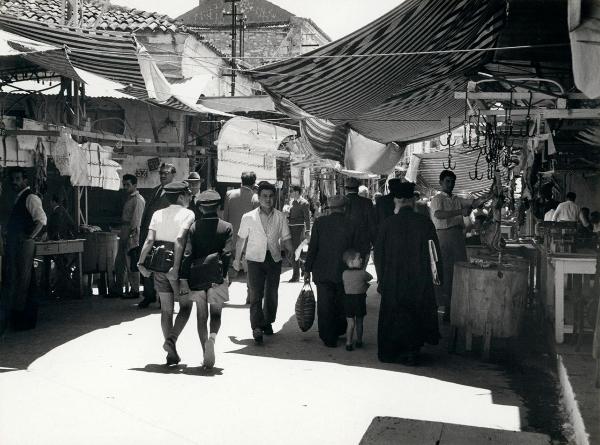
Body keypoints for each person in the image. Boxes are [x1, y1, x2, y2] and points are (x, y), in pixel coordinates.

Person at [374, 182, 441, 365]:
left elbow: (378, 254)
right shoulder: (424, 223)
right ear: (412, 201)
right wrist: (437, 277)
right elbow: (434, 253)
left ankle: (394, 352)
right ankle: (412, 350)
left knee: (394, 315)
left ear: (397, 201)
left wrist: (382, 278)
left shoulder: (387, 224)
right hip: (419, 277)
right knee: (415, 313)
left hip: (393, 279)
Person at [137, 182, 195, 365]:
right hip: (178, 265)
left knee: (166, 310)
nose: (190, 198)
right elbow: (180, 240)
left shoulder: (157, 214)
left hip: (158, 265)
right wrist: (176, 268)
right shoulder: (188, 214)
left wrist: (140, 262)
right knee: (185, 307)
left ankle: (171, 354)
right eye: (188, 195)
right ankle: (172, 340)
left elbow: (149, 240)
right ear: (180, 196)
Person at [176, 190, 233, 369]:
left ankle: (204, 352)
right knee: (216, 314)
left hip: (197, 277)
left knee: (202, 316)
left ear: (200, 208)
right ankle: (212, 339)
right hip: (217, 276)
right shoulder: (227, 227)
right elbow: (228, 253)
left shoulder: (194, 227)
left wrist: (184, 278)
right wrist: (223, 276)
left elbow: (188, 253)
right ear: (218, 207)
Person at [233, 181, 293, 344]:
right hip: (254, 260)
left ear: (275, 198)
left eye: (271, 196)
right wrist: (237, 260)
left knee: (272, 294)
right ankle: (256, 327)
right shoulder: (248, 217)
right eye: (264, 196)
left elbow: (286, 239)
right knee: (256, 294)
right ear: (258, 198)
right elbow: (241, 240)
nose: (268, 199)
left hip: (273, 259)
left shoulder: (280, 216)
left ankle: (267, 321)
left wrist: (292, 255)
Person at [430, 170, 489, 320]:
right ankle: (445, 307)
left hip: (457, 235)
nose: (450, 184)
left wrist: (487, 196)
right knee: (446, 271)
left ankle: (456, 306)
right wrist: (459, 211)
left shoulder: (457, 199)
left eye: (452, 181)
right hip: (444, 235)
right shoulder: (437, 198)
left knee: (459, 270)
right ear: (441, 182)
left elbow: (473, 203)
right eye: (447, 181)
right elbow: (438, 214)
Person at [304, 195, 358, 347]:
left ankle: (328, 337)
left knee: (325, 304)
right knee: (341, 302)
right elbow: (356, 248)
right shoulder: (351, 223)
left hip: (322, 271)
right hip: (344, 270)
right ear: (344, 208)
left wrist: (307, 269)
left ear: (330, 208)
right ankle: (339, 330)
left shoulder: (320, 223)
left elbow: (313, 248)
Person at [2, 167, 47, 330]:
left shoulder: (31, 197)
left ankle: (24, 319)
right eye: (13, 179)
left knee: (23, 280)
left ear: (25, 180)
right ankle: (20, 318)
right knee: (17, 279)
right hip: (16, 243)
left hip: (24, 244)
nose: (15, 182)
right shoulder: (19, 197)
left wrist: (29, 236)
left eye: (18, 179)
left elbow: (42, 219)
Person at [138, 163, 175, 309]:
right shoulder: (154, 191)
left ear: (173, 175)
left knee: (162, 265)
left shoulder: (174, 194)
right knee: (147, 263)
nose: (163, 175)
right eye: (161, 173)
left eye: (166, 173)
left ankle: (163, 299)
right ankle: (149, 295)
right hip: (149, 233)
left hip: (164, 235)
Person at [223, 171, 259, 303]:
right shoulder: (255, 198)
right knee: (249, 269)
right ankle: (250, 296)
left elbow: (225, 219)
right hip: (249, 240)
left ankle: (221, 293)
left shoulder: (229, 195)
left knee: (229, 267)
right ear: (254, 183)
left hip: (232, 238)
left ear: (241, 181)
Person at [112, 174, 145, 299]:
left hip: (132, 233)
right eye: (124, 184)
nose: (125, 187)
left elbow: (137, 220)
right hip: (124, 231)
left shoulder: (138, 200)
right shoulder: (129, 198)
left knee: (132, 263)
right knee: (120, 262)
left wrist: (132, 236)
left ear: (135, 185)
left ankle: (135, 290)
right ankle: (118, 289)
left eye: (128, 185)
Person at [47, 194, 78, 297]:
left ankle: (62, 288)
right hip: (64, 241)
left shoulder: (57, 212)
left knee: (60, 266)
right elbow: (72, 225)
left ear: (53, 201)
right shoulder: (63, 211)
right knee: (62, 266)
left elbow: (56, 227)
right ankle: (64, 288)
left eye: (50, 202)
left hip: (58, 242)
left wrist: (51, 237)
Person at [341, 249, 372, 351]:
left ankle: (349, 343)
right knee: (359, 322)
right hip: (359, 300)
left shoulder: (344, 273)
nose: (361, 260)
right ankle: (359, 341)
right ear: (351, 262)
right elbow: (370, 277)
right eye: (359, 258)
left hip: (348, 300)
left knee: (350, 323)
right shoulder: (362, 273)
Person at [344, 177, 376, 266]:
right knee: (361, 269)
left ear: (346, 189)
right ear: (357, 188)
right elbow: (372, 224)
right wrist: (375, 242)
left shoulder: (341, 201)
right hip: (363, 242)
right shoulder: (367, 202)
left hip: (345, 243)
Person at [286, 185, 311, 282]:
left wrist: (307, 231)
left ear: (296, 192)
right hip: (290, 229)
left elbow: (307, 219)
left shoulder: (304, 203)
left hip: (299, 229)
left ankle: (295, 276)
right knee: (288, 251)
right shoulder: (291, 202)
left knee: (295, 252)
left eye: (291, 191)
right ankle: (302, 264)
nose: (290, 193)